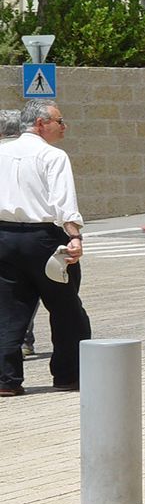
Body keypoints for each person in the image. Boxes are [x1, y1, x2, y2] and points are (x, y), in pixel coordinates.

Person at [0, 100, 91, 397]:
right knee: (66, 308)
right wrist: (74, 237)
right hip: (44, 239)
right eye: (59, 121)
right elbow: (64, 202)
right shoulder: (53, 156)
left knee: (9, 310)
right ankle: (68, 374)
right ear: (41, 124)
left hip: (4, 238)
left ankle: (6, 379)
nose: (64, 126)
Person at [0, 109, 37, 356]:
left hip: (5, 231)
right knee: (25, 290)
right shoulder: (42, 154)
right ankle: (24, 338)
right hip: (34, 233)